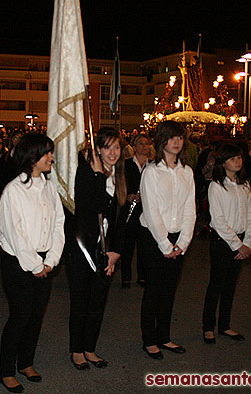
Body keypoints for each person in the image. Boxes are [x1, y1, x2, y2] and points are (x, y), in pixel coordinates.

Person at [0, 133, 64, 393]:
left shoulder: (49, 185)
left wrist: (51, 260)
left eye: (50, 152)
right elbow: (15, 233)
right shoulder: (14, 190)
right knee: (20, 316)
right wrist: (36, 265)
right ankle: (6, 370)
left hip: (45, 261)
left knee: (36, 316)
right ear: (31, 157)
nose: (50, 157)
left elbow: (58, 223)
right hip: (18, 263)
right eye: (46, 153)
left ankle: (26, 362)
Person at [67, 127, 125, 370]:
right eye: (108, 147)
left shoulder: (121, 175)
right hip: (82, 246)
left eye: (117, 147)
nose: (113, 152)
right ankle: (77, 350)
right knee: (81, 301)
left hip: (106, 249)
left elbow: (121, 219)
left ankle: (90, 348)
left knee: (98, 302)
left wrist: (115, 252)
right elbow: (90, 208)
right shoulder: (85, 172)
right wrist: (99, 176)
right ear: (97, 149)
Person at [139, 120, 196, 359]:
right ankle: (149, 339)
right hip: (153, 236)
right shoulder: (151, 171)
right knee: (153, 290)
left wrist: (182, 243)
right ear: (162, 141)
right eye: (172, 137)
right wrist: (164, 244)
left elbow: (190, 209)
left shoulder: (187, 171)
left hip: (177, 237)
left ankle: (164, 336)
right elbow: (151, 212)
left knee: (169, 290)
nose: (177, 142)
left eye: (180, 138)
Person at [201, 143, 251, 344]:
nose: (238, 162)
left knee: (231, 285)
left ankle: (224, 325)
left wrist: (247, 242)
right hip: (222, 241)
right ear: (223, 163)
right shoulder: (216, 186)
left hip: (241, 240)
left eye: (239, 158)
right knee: (216, 284)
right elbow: (218, 220)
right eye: (233, 159)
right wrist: (237, 244)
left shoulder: (245, 184)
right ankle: (208, 327)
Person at [121, 133, 151, 289]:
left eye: (146, 143)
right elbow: (120, 184)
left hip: (146, 210)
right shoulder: (126, 165)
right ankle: (126, 277)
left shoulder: (153, 166)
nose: (144, 146)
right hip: (130, 209)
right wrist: (128, 196)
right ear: (134, 146)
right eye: (141, 143)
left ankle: (143, 276)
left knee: (144, 244)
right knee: (128, 244)